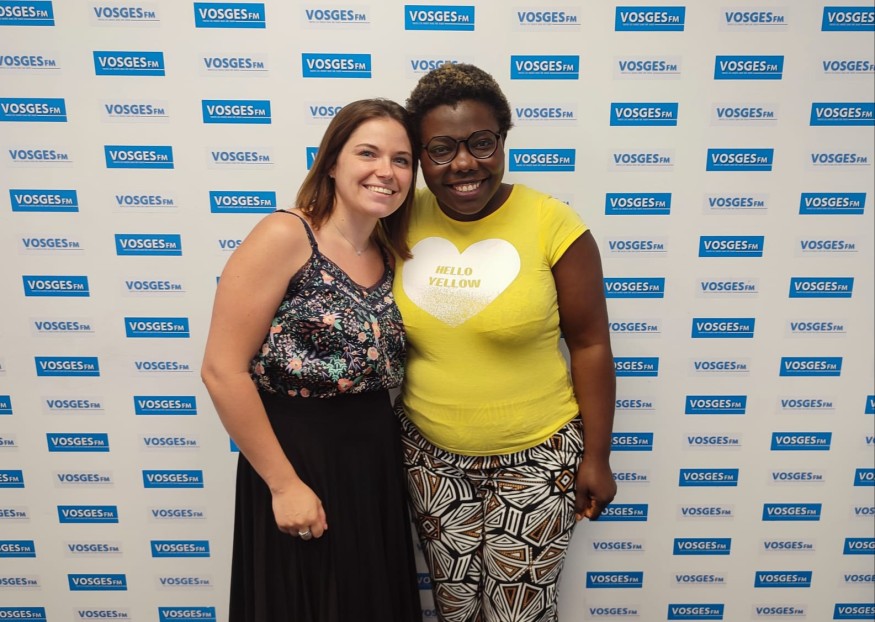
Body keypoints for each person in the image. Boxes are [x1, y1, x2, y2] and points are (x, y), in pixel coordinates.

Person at [393, 64, 617, 622]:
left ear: (502, 140)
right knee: (454, 609)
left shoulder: (552, 222)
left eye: (481, 142)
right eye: (440, 149)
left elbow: (590, 344)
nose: (464, 163)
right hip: (430, 459)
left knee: (521, 612)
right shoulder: (395, 219)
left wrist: (597, 456)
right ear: (419, 156)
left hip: (538, 458)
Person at [201, 98, 422, 622]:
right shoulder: (285, 235)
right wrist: (284, 485)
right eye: (367, 153)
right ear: (332, 163)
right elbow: (222, 370)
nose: (386, 171)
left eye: (401, 160)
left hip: (373, 460)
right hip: (298, 456)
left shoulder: (389, 250)